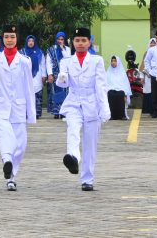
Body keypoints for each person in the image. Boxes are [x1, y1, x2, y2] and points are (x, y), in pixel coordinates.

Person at [0, 24, 36, 191]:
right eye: (6, 37)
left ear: (17, 39)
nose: (9, 40)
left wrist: (31, 113)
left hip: (18, 107)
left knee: (21, 144)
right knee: (6, 136)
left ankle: (11, 169)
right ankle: (9, 169)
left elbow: (29, 87)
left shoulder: (24, 61)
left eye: (12, 37)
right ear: (2, 38)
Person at [57, 28, 110, 191]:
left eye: (83, 40)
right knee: (72, 129)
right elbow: (62, 84)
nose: (80, 44)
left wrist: (105, 108)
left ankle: (87, 179)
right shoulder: (66, 61)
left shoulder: (97, 60)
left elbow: (101, 86)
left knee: (90, 144)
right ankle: (72, 157)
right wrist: (62, 77)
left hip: (92, 104)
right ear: (72, 42)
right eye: (77, 40)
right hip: (74, 102)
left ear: (89, 42)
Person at [22, 35, 48, 118]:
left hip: (37, 76)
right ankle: (27, 113)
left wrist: (44, 75)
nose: (31, 42)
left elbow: (43, 64)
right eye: (29, 41)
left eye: (32, 41)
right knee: (26, 95)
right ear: (26, 42)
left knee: (37, 95)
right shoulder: (22, 52)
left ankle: (37, 114)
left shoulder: (39, 52)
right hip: (25, 76)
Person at [46, 32, 70, 118]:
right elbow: (48, 63)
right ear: (56, 40)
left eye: (62, 39)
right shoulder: (51, 49)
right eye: (58, 39)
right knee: (56, 93)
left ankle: (63, 112)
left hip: (65, 75)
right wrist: (50, 74)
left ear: (64, 40)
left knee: (65, 93)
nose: (60, 41)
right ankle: (56, 112)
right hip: (55, 74)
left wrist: (62, 49)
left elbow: (68, 59)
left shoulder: (67, 49)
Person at [105, 55, 131, 120]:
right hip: (111, 90)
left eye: (115, 61)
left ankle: (123, 115)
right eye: (112, 61)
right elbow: (105, 84)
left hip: (121, 90)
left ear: (118, 62)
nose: (113, 62)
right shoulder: (108, 72)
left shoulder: (122, 73)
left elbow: (126, 84)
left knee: (121, 94)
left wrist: (125, 93)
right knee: (111, 94)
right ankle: (112, 115)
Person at [140, 38, 157, 115]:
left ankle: (155, 110)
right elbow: (142, 66)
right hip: (147, 77)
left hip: (155, 76)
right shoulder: (146, 53)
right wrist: (142, 77)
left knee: (155, 93)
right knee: (148, 93)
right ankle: (148, 109)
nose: (152, 45)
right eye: (151, 43)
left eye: (154, 43)